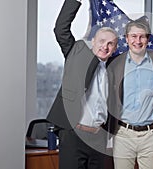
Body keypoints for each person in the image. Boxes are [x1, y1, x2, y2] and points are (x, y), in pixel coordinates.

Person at [46, 0, 118, 168]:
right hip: (73, 136)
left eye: (110, 44)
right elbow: (60, 30)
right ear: (93, 42)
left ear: (115, 48)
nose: (105, 47)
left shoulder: (114, 69)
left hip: (99, 139)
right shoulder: (76, 55)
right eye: (101, 41)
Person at [107, 16, 153, 169]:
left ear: (148, 39)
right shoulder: (115, 64)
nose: (138, 41)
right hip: (123, 134)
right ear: (126, 39)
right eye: (133, 36)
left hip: (150, 135)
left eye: (142, 36)